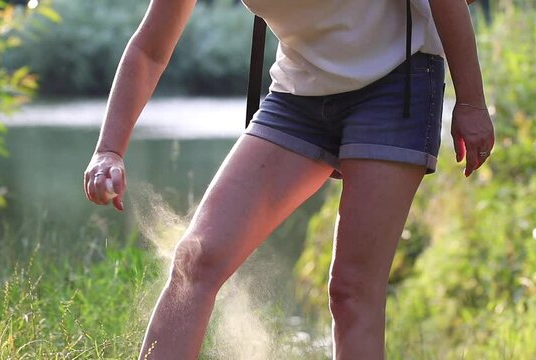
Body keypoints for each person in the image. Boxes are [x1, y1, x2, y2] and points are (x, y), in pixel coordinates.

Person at [83, 0, 494, 358]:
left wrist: (471, 101)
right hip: (298, 93)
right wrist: (109, 149)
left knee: (352, 292)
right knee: (197, 259)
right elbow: (150, 50)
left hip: (396, 80)